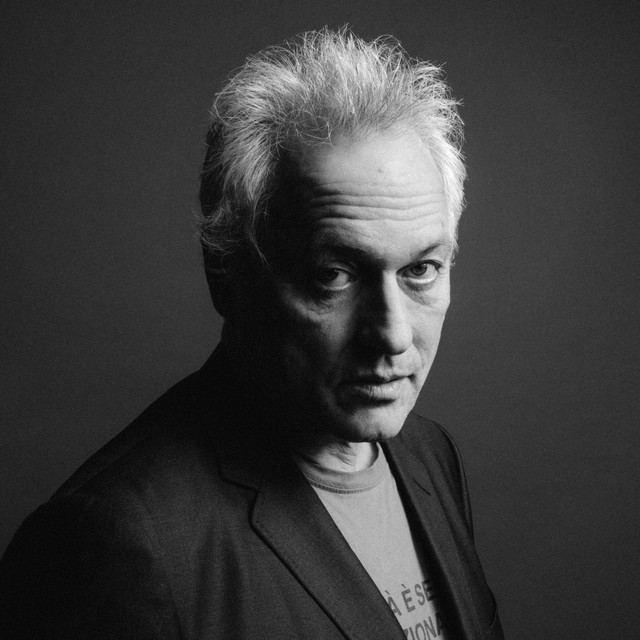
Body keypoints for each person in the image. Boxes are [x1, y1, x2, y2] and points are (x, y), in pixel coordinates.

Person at [0, 29, 503, 639]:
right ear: (229, 275)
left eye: (421, 270)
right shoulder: (113, 544)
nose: (392, 336)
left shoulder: (431, 456)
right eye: (333, 275)